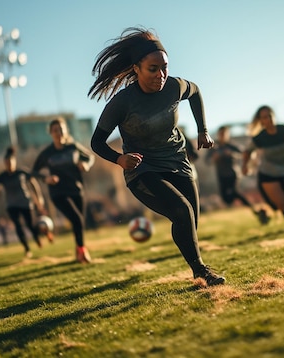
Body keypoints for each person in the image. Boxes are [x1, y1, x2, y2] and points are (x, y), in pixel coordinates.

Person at [88, 27, 225, 286]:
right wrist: (119, 159)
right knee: (182, 211)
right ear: (137, 68)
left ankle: (196, 266)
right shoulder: (122, 102)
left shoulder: (174, 86)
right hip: (143, 169)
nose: (161, 75)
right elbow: (96, 142)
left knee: (190, 221)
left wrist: (203, 131)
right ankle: (201, 271)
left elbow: (195, 92)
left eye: (164, 67)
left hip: (177, 161)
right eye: (153, 68)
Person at [32, 117, 95, 263]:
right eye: (55, 130)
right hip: (58, 192)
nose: (58, 132)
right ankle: (82, 251)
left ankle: (78, 249)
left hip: (77, 189)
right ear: (50, 133)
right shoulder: (47, 153)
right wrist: (45, 178)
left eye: (61, 129)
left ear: (66, 131)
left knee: (78, 222)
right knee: (77, 219)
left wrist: (86, 165)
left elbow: (90, 157)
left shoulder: (73, 147)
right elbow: (33, 172)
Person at [241, 105, 284, 228]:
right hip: (268, 174)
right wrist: (245, 166)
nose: (268, 119)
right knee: (282, 204)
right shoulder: (259, 138)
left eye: (270, 116)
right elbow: (247, 151)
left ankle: (273, 206)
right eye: (264, 117)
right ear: (261, 121)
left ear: (274, 117)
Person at [207, 125, 269, 224]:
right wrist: (215, 157)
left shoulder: (231, 146)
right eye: (221, 133)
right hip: (221, 176)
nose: (222, 136)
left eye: (224, 133)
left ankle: (257, 212)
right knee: (227, 199)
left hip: (232, 174)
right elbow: (208, 161)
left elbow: (243, 154)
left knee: (235, 192)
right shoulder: (214, 147)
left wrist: (231, 154)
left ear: (228, 135)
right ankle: (258, 212)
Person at [0, 146, 47, 258]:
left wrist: (39, 198)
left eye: (11, 162)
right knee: (18, 226)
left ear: (14, 162)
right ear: (5, 163)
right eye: (7, 163)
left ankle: (36, 237)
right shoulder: (2, 176)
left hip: (25, 203)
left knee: (30, 225)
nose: (9, 164)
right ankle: (27, 248)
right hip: (11, 205)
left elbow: (33, 182)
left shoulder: (21, 172)